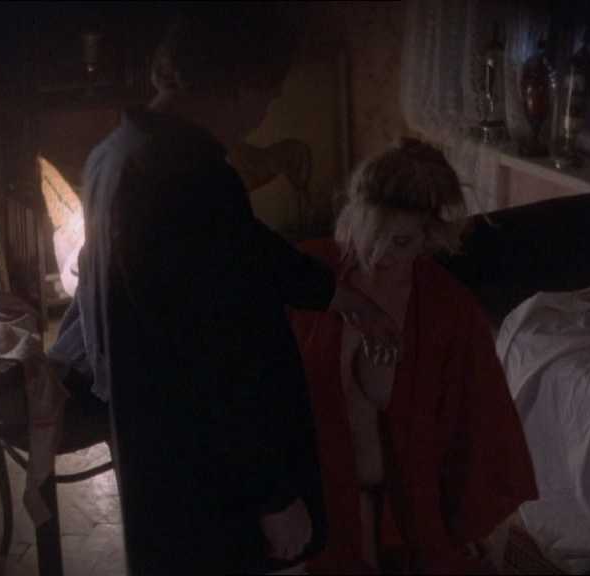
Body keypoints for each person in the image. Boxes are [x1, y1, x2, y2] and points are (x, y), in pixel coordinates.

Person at [75, 3, 399, 575]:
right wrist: (273, 496)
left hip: (161, 457)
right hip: (211, 479)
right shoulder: (191, 181)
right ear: (237, 84)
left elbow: (245, 246)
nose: (264, 112)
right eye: (267, 94)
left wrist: (336, 294)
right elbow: (222, 357)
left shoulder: (116, 154)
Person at [289, 139, 539, 574]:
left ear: (428, 236)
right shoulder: (309, 276)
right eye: (372, 233)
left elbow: (481, 418)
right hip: (325, 506)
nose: (381, 253)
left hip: (411, 514)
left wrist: (476, 522)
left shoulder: (449, 309)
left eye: (401, 241)